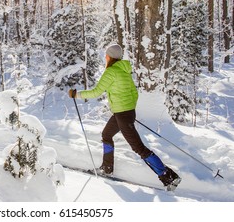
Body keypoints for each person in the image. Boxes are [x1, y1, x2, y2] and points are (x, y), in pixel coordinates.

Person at [68, 43, 181, 189]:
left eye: (106, 55)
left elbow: (96, 92)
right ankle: (107, 168)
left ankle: (169, 176)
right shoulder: (124, 71)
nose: (105, 57)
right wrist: (128, 110)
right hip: (124, 113)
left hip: (122, 114)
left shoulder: (111, 72)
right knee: (106, 134)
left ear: (109, 57)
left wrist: (77, 94)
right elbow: (134, 93)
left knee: (138, 148)